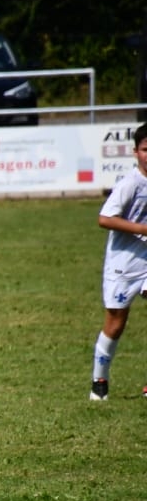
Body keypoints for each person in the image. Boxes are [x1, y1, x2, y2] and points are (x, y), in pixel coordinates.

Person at [89, 122, 147, 401]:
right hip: (123, 264)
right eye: (146, 149)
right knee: (115, 324)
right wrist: (142, 229)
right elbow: (104, 219)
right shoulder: (130, 184)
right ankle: (99, 379)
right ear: (136, 152)